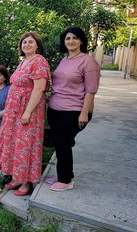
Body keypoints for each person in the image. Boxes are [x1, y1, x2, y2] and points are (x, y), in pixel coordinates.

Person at [0, 32, 51, 196]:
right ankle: (17, 177)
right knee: (15, 144)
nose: (26, 45)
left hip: (28, 111)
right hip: (14, 111)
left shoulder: (39, 61)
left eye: (30, 42)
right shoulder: (23, 62)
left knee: (26, 145)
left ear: (37, 45)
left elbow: (39, 88)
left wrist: (27, 112)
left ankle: (27, 183)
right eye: (24, 42)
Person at [46, 27, 100, 191]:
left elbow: (91, 90)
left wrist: (84, 113)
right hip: (55, 109)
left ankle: (66, 180)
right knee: (60, 142)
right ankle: (65, 174)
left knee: (63, 142)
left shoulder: (88, 61)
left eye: (75, 38)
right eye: (68, 38)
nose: (71, 41)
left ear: (81, 41)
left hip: (75, 110)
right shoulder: (65, 59)